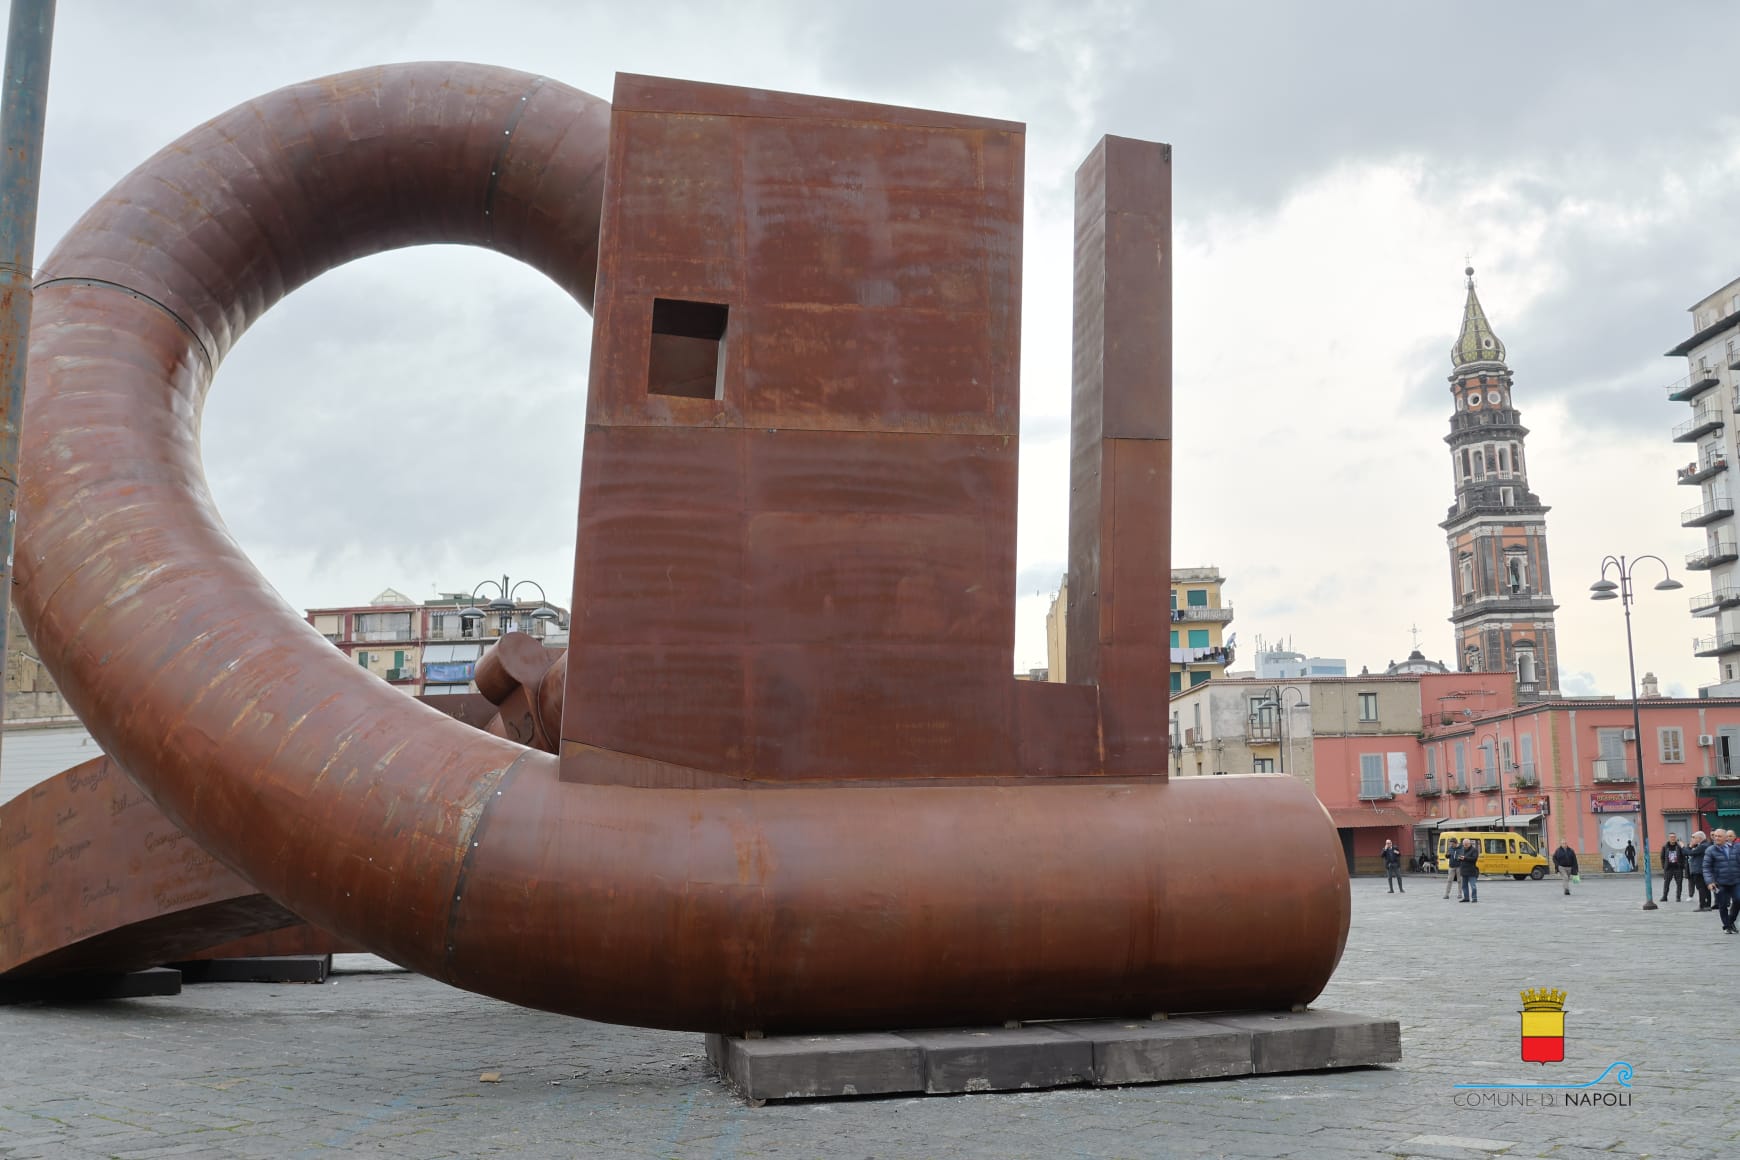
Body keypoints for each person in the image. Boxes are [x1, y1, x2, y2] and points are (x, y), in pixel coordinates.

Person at [1703, 828, 1740, 935]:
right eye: (1715, 836)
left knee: (1738, 900)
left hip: (1735, 881)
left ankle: (1731, 920)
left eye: (1719, 836)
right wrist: (1710, 882)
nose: (1716, 838)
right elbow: (1706, 868)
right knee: (1722, 905)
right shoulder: (1710, 850)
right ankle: (1727, 926)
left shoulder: (1736, 848)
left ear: (1726, 838)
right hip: (1719, 883)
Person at [1661, 833, 1687, 902]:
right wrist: (1664, 866)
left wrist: (1682, 865)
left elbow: (1683, 856)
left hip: (1678, 868)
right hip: (1668, 868)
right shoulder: (1665, 847)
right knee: (1666, 883)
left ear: (1675, 838)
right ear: (1668, 838)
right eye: (1671, 837)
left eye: (1674, 837)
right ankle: (1664, 897)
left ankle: (1678, 897)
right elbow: (1662, 857)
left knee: (1679, 883)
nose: (1673, 838)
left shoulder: (1679, 847)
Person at [1690, 831, 1712, 911]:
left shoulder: (1702, 846)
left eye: (1694, 838)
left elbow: (1689, 852)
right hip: (1702, 870)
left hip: (1699, 870)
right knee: (1705, 888)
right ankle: (1707, 905)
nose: (1693, 839)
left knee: (1701, 888)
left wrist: (1684, 847)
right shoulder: (1705, 845)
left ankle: (1703, 905)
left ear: (1699, 838)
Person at [1458, 838, 1481, 903]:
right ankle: (1466, 898)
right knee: (1464, 886)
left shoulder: (1474, 850)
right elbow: (1460, 857)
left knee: (1473, 886)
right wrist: (1459, 858)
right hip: (1463, 870)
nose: (1464, 846)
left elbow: (1474, 859)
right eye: (1464, 844)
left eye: (1466, 844)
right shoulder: (1462, 850)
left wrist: (1465, 858)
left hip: (1471, 870)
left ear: (1469, 844)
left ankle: (1474, 898)